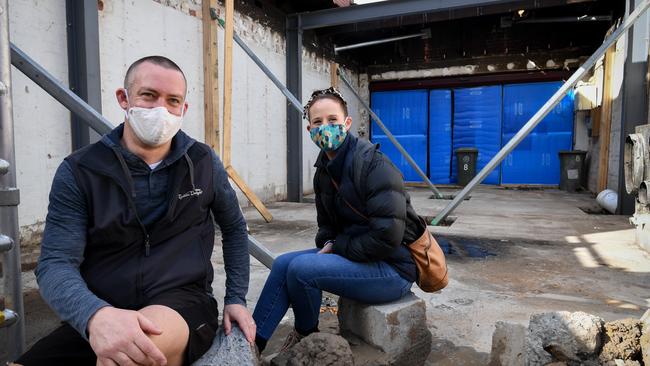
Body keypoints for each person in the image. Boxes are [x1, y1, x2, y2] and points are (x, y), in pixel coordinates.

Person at [14, 56, 255, 366]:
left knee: (131, 355)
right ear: (123, 98)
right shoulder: (81, 170)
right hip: (103, 308)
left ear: (184, 109)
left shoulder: (203, 162)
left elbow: (234, 229)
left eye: (173, 101)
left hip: (181, 304)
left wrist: (236, 297)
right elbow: (55, 262)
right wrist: (95, 315)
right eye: (148, 95)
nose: (161, 109)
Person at [252, 87, 425, 354]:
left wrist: (339, 245)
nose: (326, 128)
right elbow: (326, 229)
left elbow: (388, 237)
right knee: (284, 263)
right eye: (318, 123)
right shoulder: (324, 172)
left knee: (302, 269)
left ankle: (307, 337)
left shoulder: (374, 166)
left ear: (347, 123)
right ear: (310, 130)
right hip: (359, 258)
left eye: (332, 120)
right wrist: (331, 241)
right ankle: (250, 344)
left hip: (393, 269)